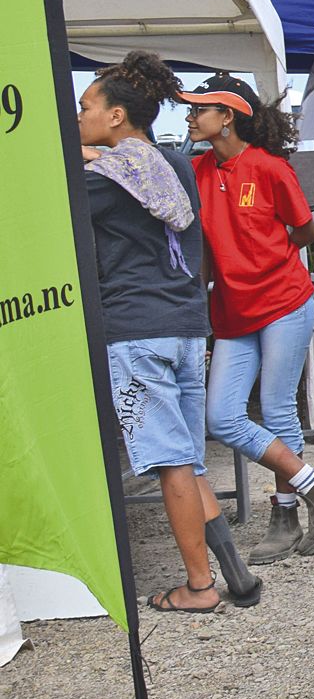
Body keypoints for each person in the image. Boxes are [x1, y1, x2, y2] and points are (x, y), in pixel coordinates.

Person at [77, 53, 261, 612]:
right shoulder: (175, 166)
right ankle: (236, 573)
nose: (77, 115)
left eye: (86, 107)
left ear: (115, 116)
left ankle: (199, 587)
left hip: (136, 330)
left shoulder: (105, 180)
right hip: (184, 324)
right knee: (189, 457)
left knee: (170, 463)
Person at [182, 72, 314, 562]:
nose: (191, 117)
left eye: (201, 110)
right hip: (233, 312)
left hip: (284, 303)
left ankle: (285, 517)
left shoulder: (270, 168)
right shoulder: (196, 172)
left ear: (229, 118)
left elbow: (305, 232)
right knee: (222, 417)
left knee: (279, 410)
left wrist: (265, 262)